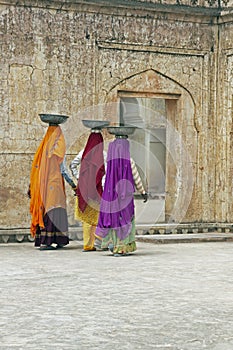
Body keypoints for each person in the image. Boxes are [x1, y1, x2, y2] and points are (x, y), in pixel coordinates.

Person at [96, 136, 147, 256]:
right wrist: (143, 192)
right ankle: (122, 247)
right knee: (124, 219)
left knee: (113, 217)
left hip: (111, 196)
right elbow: (136, 177)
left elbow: (106, 178)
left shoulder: (110, 161)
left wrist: (106, 192)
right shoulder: (129, 160)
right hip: (125, 198)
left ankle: (112, 244)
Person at [28, 125, 76, 250]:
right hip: (55, 186)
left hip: (43, 186)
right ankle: (55, 240)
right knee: (55, 210)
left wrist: (32, 186)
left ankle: (46, 240)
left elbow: (36, 170)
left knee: (46, 210)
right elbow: (64, 170)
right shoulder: (58, 151)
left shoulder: (42, 150)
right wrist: (73, 185)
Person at [70, 130, 106, 252]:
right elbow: (104, 173)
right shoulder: (103, 154)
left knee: (86, 217)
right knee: (97, 215)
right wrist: (102, 185)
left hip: (84, 188)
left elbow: (72, 165)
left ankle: (88, 244)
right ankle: (98, 239)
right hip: (97, 189)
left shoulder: (83, 153)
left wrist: (80, 178)